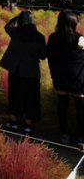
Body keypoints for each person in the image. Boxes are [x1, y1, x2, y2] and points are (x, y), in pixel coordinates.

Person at [0, 11, 46, 134]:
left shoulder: (15, 33)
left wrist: (15, 18)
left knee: (15, 95)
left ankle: (13, 123)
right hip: (32, 72)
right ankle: (27, 125)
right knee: (32, 98)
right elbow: (42, 56)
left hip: (16, 70)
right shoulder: (39, 37)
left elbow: (7, 26)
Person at [46, 11, 84, 144]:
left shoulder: (52, 38)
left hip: (59, 77)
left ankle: (64, 135)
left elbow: (48, 55)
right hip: (77, 79)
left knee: (62, 106)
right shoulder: (79, 39)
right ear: (74, 23)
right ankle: (81, 136)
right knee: (80, 108)